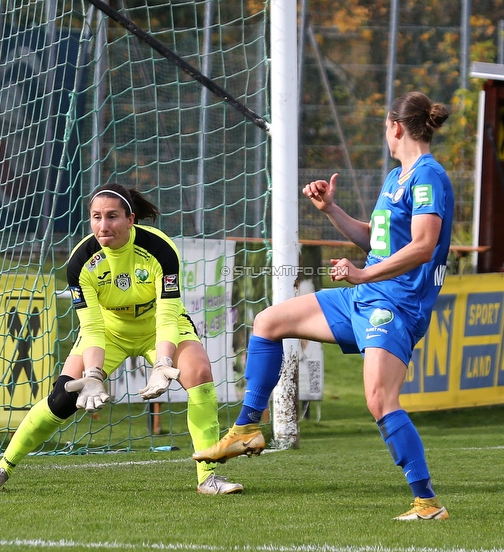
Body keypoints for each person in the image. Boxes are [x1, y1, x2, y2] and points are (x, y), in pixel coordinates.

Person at [192, 91, 455, 521]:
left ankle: (427, 502)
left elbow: (424, 246)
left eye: (386, 128)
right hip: (364, 297)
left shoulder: (429, 177)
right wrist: (331, 210)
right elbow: (378, 240)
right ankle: (247, 429)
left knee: (379, 401)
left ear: (395, 126)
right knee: (269, 322)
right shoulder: (397, 177)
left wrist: (364, 274)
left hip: (396, 305)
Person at [0, 183, 243, 496]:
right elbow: (91, 327)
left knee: (199, 373)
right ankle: (1, 467)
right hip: (109, 331)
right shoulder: (80, 262)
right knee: (63, 397)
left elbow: (168, 316)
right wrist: (92, 375)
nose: (103, 225)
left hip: (158, 327)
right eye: (96, 217)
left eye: (112, 217)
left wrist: (163, 361)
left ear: (131, 220)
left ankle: (207, 478)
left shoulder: (160, 249)